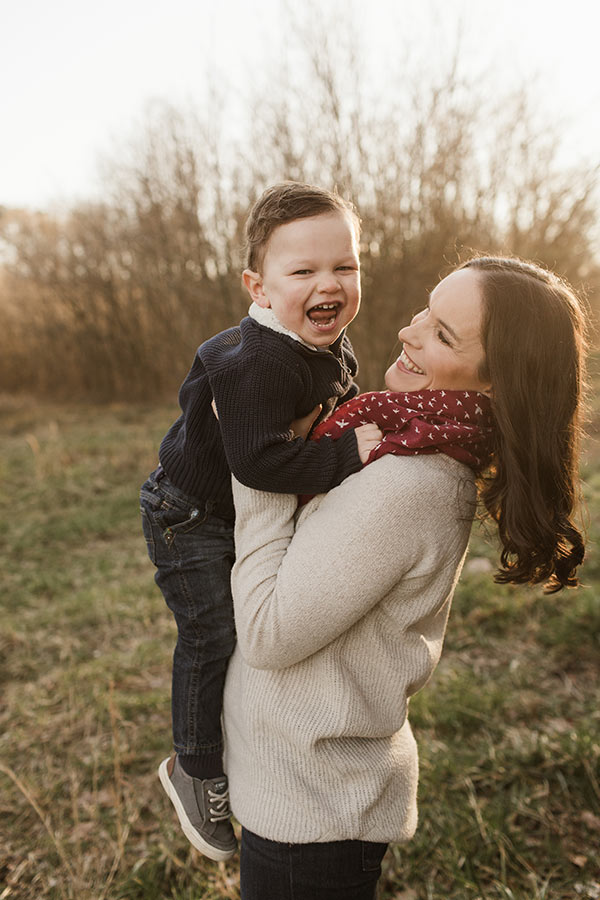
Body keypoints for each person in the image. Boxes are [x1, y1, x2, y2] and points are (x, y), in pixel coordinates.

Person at [222, 256, 588, 899]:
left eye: (444, 335)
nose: (409, 332)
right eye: (427, 310)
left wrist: (260, 474)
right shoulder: (398, 437)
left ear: (499, 384)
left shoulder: (412, 482)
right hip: (306, 790)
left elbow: (266, 632)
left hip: (314, 813)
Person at [139, 182, 383, 861]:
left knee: (252, 629)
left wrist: (365, 418)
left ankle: (245, 736)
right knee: (213, 634)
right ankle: (193, 767)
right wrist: (349, 452)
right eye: (303, 271)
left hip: (221, 508)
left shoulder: (324, 338)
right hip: (188, 514)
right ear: (259, 286)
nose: (328, 284)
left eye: (345, 266)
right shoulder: (257, 364)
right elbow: (261, 466)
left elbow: (342, 395)